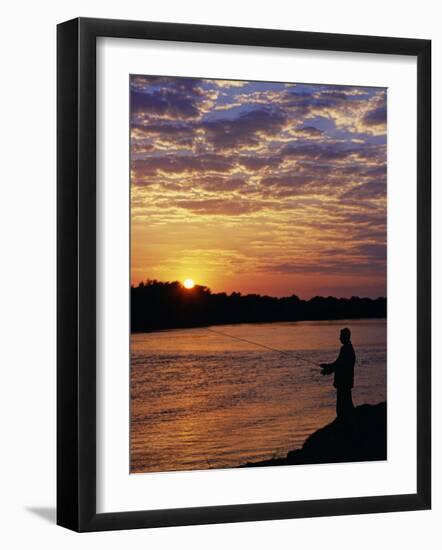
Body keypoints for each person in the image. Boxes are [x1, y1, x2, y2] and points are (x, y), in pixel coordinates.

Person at [320, 327, 356, 419]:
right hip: (345, 382)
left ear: (345, 337)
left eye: (341, 336)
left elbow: (340, 365)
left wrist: (329, 369)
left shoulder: (346, 349)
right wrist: (328, 367)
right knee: (346, 405)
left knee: (342, 407)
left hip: (344, 382)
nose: (339, 338)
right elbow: (338, 364)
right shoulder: (347, 348)